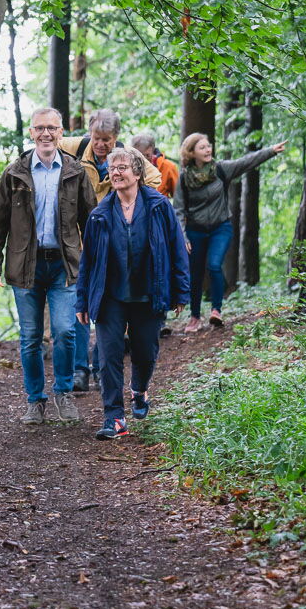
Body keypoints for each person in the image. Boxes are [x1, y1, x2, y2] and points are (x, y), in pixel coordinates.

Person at [0, 108, 96, 426]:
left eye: (52, 128)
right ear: (31, 133)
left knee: (64, 331)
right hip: (25, 265)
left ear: (62, 133)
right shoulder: (14, 173)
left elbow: (92, 221)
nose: (46, 134)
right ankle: (35, 400)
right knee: (31, 336)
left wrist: (98, 263)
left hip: (64, 265)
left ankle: (63, 393)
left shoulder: (75, 172)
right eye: (40, 128)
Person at [76, 147, 190, 440]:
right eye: (112, 168)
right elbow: (88, 261)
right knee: (109, 355)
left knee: (145, 351)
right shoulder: (100, 214)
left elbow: (176, 247)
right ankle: (114, 417)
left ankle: (139, 389)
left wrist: (180, 291)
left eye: (122, 167)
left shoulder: (158, 206)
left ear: (138, 173)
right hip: (110, 296)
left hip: (149, 292)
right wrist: (82, 299)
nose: (116, 172)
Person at [59, 110, 162, 393]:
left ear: (116, 137)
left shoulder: (127, 156)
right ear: (89, 134)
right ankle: (80, 369)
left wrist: (125, 197)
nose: (101, 144)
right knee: (81, 302)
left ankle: (100, 367)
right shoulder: (75, 147)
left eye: (107, 139)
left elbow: (154, 178)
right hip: (82, 240)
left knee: (106, 307)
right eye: (97, 138)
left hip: (115, 242)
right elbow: (49, 143)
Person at [178, 133, 285, 331]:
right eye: (202, 147)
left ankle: (216, 311)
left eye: (208, 145)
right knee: (195, 274)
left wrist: (270, 151)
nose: (208, 149)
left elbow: (246, 162)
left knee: (214, 265)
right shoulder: (184, 178)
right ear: (192, 153)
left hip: (220, 227)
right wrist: (183, 236)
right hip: (195, 231)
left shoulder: (220, 169)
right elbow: (178, 209)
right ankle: (194, 317)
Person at [130, 133, 179, 199]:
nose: (143, 159)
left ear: (152, 150)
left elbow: (178, 197)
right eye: (139, 155)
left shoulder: (168, 166)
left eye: (147, 155)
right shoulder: (126, 167)